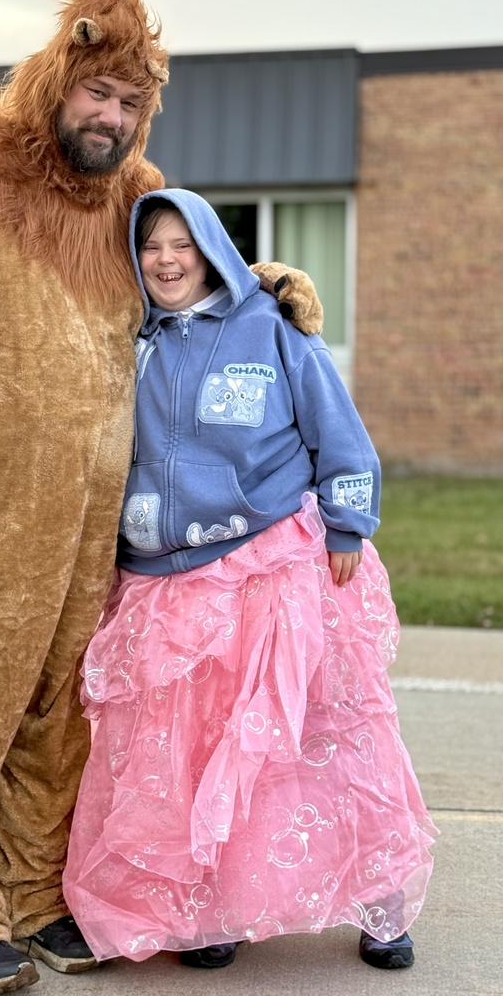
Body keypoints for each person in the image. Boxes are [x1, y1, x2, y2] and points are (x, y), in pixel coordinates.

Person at [0, 0, 320, 994]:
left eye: (132, 103)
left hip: (88, 528)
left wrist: (266, 287)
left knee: (60, 724)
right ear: (57, 81)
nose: (112, 117)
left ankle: (35, 896)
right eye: (98, 93)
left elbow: (186, 271)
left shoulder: (128, 200)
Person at [62, 190, 438, 974]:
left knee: (319, 737)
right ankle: (212, 912)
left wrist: (348, 520)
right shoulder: (126, 337)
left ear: (210, 250)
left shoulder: (269, 326)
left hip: (275, 564)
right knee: (191, 755)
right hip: (167, 580)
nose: (167, 260)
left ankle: (380, 904)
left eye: (182, 244)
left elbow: (336, 427)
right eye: (151, 246)